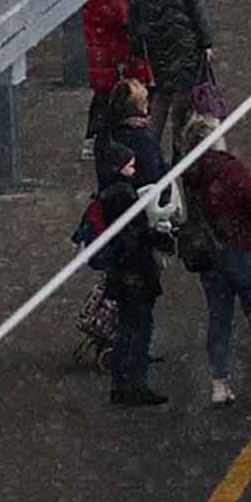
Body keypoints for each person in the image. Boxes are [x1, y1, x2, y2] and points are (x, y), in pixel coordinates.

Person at [181, 114, 251, 406]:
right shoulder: (229, 168)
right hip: (241, 250)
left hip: (210, 256)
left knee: (219, 319)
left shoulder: (190, 172)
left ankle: (219, 384)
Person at [98, 140, 177, 406]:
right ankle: (136, 384)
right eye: (129, 165)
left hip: (120, 276)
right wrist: (155, 235)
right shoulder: (125, 196)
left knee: (124, 330)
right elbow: (134, 238)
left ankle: (120, 384)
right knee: (140, 329)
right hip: (135, 276)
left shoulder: (109, 194)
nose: (134, 170)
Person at [127, 0, 214, 157]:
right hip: (186, 43)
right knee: (184, 98)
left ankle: (150, 149)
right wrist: (207, 42)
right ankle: (180, 153)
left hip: (156, 44)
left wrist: (137, 46)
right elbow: (198, 7)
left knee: (162, 92)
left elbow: (134, 13)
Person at [79, 0, 153, 161]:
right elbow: (121, 14)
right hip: (113, 50)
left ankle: (94, 139)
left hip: (102, 49)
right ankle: (98, 139)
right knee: (113, 95)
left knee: (104, 94)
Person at [94, 78, 167, 193]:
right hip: (141, 201)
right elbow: (153, 174)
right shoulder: (142, 137)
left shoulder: (105, 134)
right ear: (141, 105)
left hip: (113, 200)